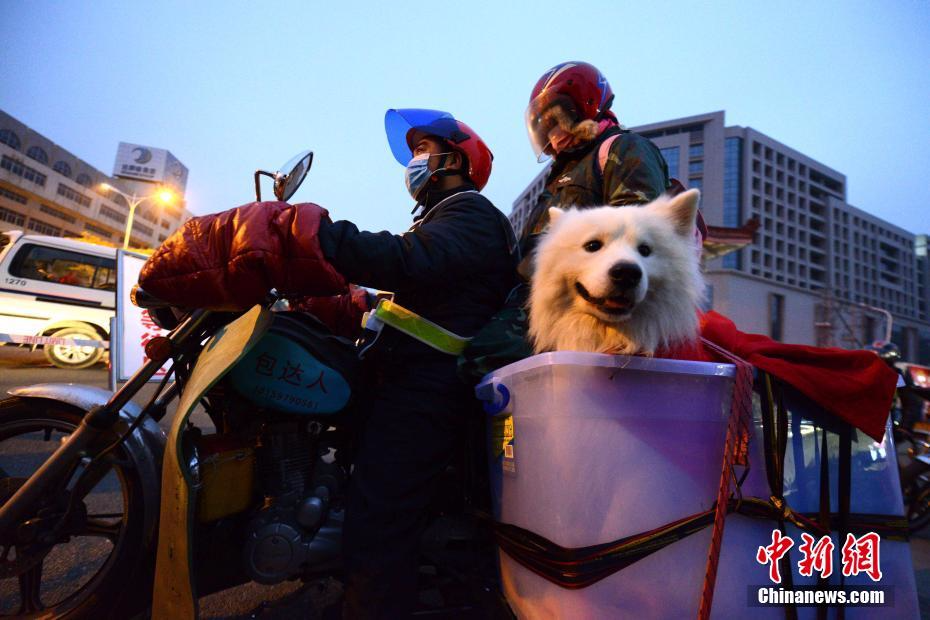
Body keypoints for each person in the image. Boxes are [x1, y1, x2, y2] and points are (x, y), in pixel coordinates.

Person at [139, 109, 518, 618]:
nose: (414, 163)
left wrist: (306, 236)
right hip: (402, 374)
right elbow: (396, 298)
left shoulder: (472, 213)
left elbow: (407, 259)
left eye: (423, 151)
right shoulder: (443, 216)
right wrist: (328, 299)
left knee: (378, 521)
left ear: (457, 158)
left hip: (427, 389)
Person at [459, 61, 678, 382]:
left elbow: (637, 231)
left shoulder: (622, 148)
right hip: (530, 292)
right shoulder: (562, 172)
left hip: (571, 298)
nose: (553, 135)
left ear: (586, 107)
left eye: (559, 120)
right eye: (545, 128)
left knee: (484, 359)